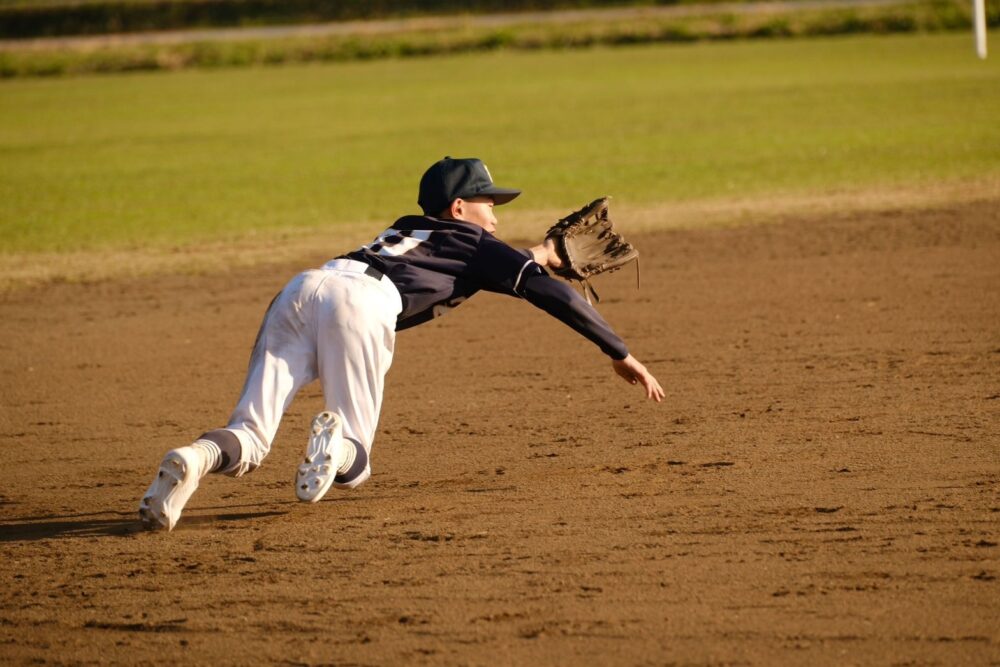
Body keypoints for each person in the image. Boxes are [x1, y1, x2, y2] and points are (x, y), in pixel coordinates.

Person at [139, 157, 665, 531]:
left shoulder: (408, 229)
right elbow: (546, 292)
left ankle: (193, 458)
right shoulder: (478, 244)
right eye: (490, 203)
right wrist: (620, 352)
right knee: (357, 460)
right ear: (460, 207)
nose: (497, 214)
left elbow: (479, 264)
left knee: (249, 435)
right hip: (362, 306)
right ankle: (337, 446)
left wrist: (539, 253)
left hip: (304, 289)